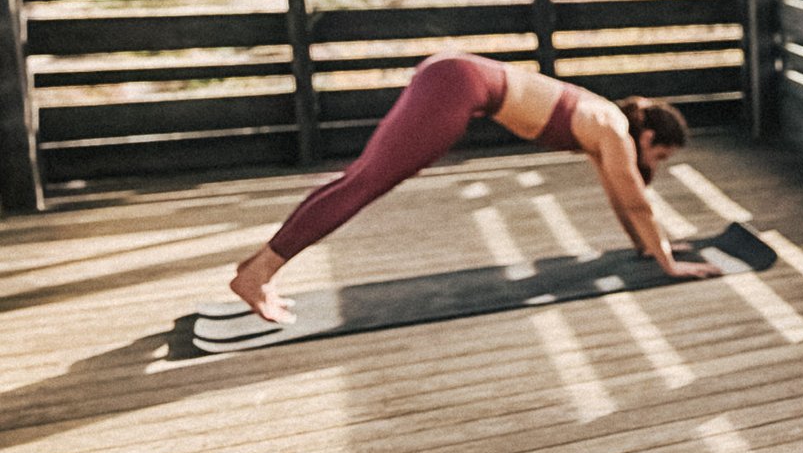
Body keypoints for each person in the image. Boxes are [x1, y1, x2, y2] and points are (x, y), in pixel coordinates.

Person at [226, 54, 717, 326]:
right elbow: (635, 198)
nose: (654, 164)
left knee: (358, 179)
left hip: (452, 75)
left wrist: (644, 249)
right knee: (365, 184)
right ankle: (260, 273)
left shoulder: (601, 121)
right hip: (458, 84)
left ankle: (257, 269)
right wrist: (669, 262)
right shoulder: (611, 127)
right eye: (661, 156)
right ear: (650, 137)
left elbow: (617, 194)